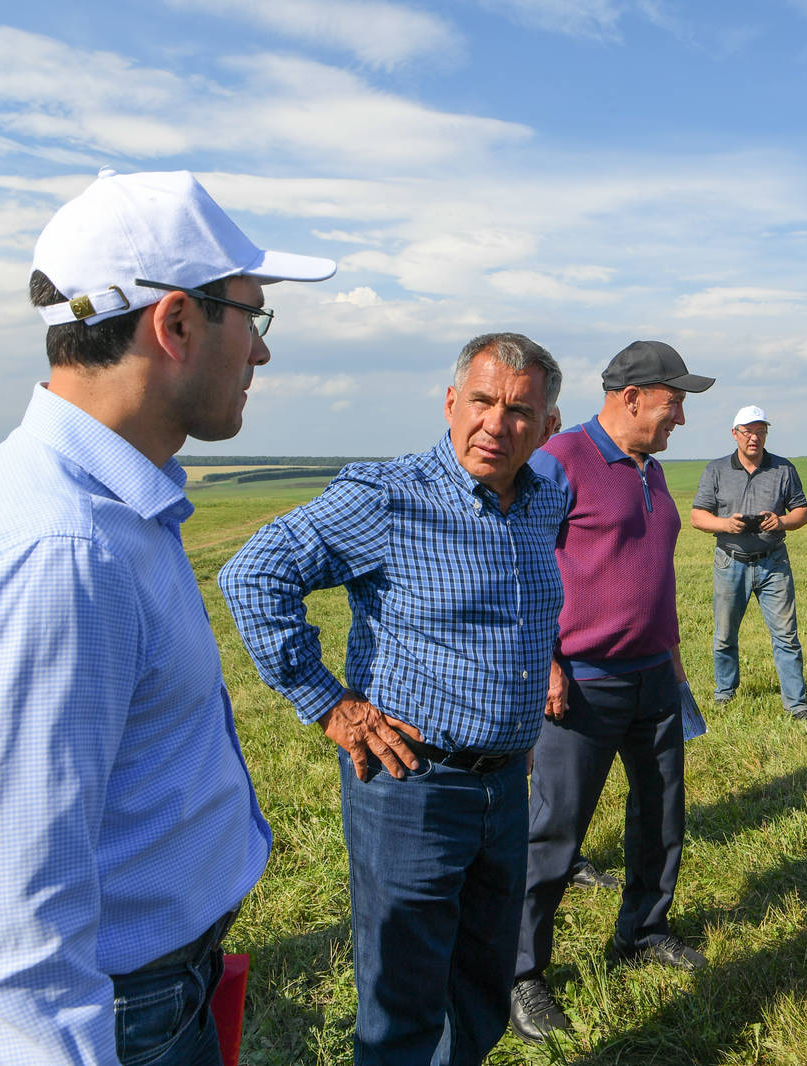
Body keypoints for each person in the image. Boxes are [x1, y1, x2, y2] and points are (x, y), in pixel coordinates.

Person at [0, 168, 334, 1065]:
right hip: (99, 1016)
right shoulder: (60, 553)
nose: (261, 354)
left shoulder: (91, 508)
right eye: (251, 318)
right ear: (176, 323)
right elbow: (12, 939)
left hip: (139, 995)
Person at [220, 333, 565, 1065]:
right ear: (450, 403)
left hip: (505, 783)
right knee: (402, 1000)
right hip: (412, 781)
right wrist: (329, 704)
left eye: (519, 411)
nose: (496, 425)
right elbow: (253, 575)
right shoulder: (389, 496)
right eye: (481, 401)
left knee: (480, 982)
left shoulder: (546, 498)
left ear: (547, 427)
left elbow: (522, 611)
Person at [511, 341, 715, 1042]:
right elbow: (518, 563)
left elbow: (649, 575)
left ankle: (643, 930)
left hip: (654, 675)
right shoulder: (560, 460)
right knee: (555, 830)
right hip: (583, 683)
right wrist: (545, 662)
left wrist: (677, 663)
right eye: (674, 400)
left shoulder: (650, 472)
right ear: (632, 396)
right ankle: (521, 975)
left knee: (662, 813)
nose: (682, 416)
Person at [691, 405, 807, 719]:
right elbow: (697, 516)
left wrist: (781, 521)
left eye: (760, 431)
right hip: (730, 561)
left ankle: (796, 705)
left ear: (766, 433)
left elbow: (802, 512)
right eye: (748, 431)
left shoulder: (783, 469)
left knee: (786, 636)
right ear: (735, 434)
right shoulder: (715, 470)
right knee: (724, 635)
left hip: (773, 562)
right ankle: (724, 694)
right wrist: (726, 525)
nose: (754, 437)